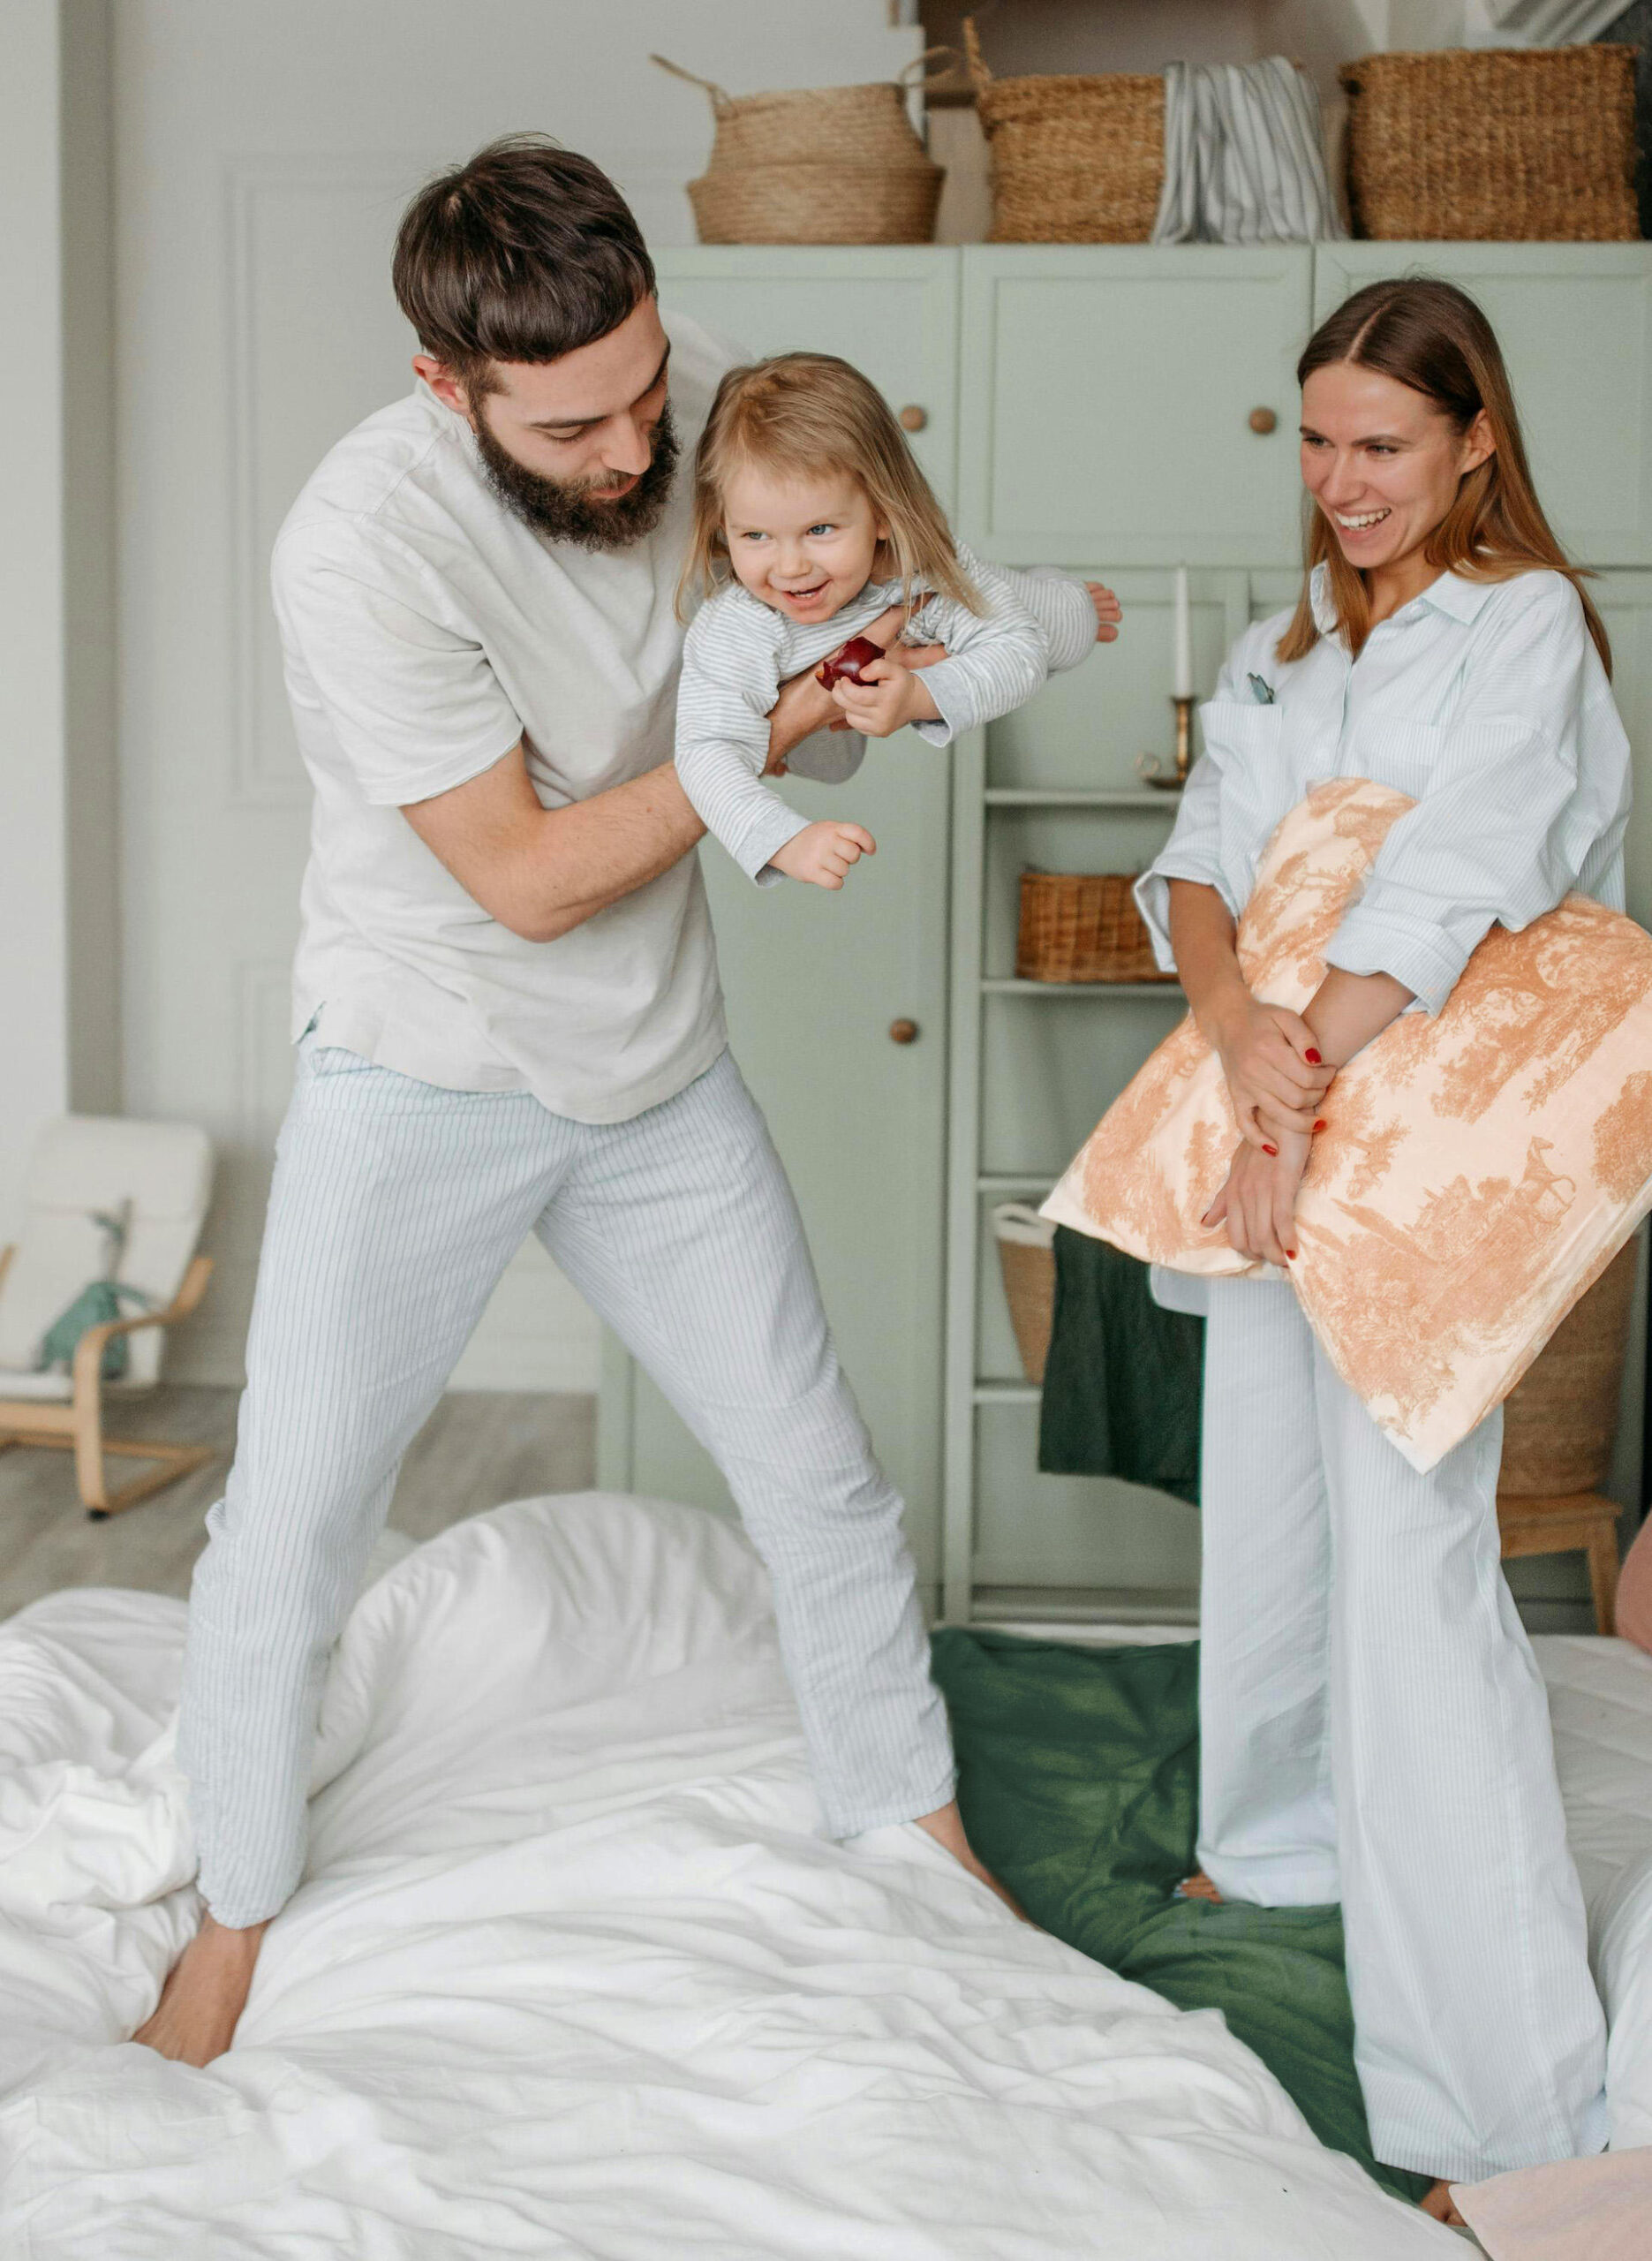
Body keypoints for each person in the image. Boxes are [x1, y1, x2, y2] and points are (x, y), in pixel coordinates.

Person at [132, 135, 1055, 2068]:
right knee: (293, 1514)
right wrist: (781, 740)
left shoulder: (696, 397)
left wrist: (871, 674)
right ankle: (231, 1913)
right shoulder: (358, 543)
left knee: (816, 1471)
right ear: (442, 385)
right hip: (426, 1065)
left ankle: (918, 1826)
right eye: (572, 430)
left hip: (655, 1077)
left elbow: (840, 603)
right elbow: (532, 878)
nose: (635, 456)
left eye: (645, 396)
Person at [1135, 278, 1631, 2213]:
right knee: (1260, 1490)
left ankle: (1493, 2098)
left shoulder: (1522, 635)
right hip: (1271, 1105)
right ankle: (1268, 1843)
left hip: (1422, 1136)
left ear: (1471, 442)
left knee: (1411, 1555)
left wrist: (1286, 1079)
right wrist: (1225, 1034)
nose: (1341, 481)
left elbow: (1455, 882)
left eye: (1383, 447)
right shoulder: (1282, 650)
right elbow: (1192, 862)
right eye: (1321, 441)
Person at [675, 351, 1113, 890]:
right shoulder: (737, 627)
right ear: (723, 525)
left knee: (1067, 627)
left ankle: (1068, 598)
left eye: (820, 530)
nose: (790, 568)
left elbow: (1017, 650)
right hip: (812, 711)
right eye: (756, 536)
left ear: (882, 513)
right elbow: (704, 751)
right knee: (821, 759)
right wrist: (784, 840)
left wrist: (919, 697)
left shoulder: (919, 568)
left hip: (927, 620)